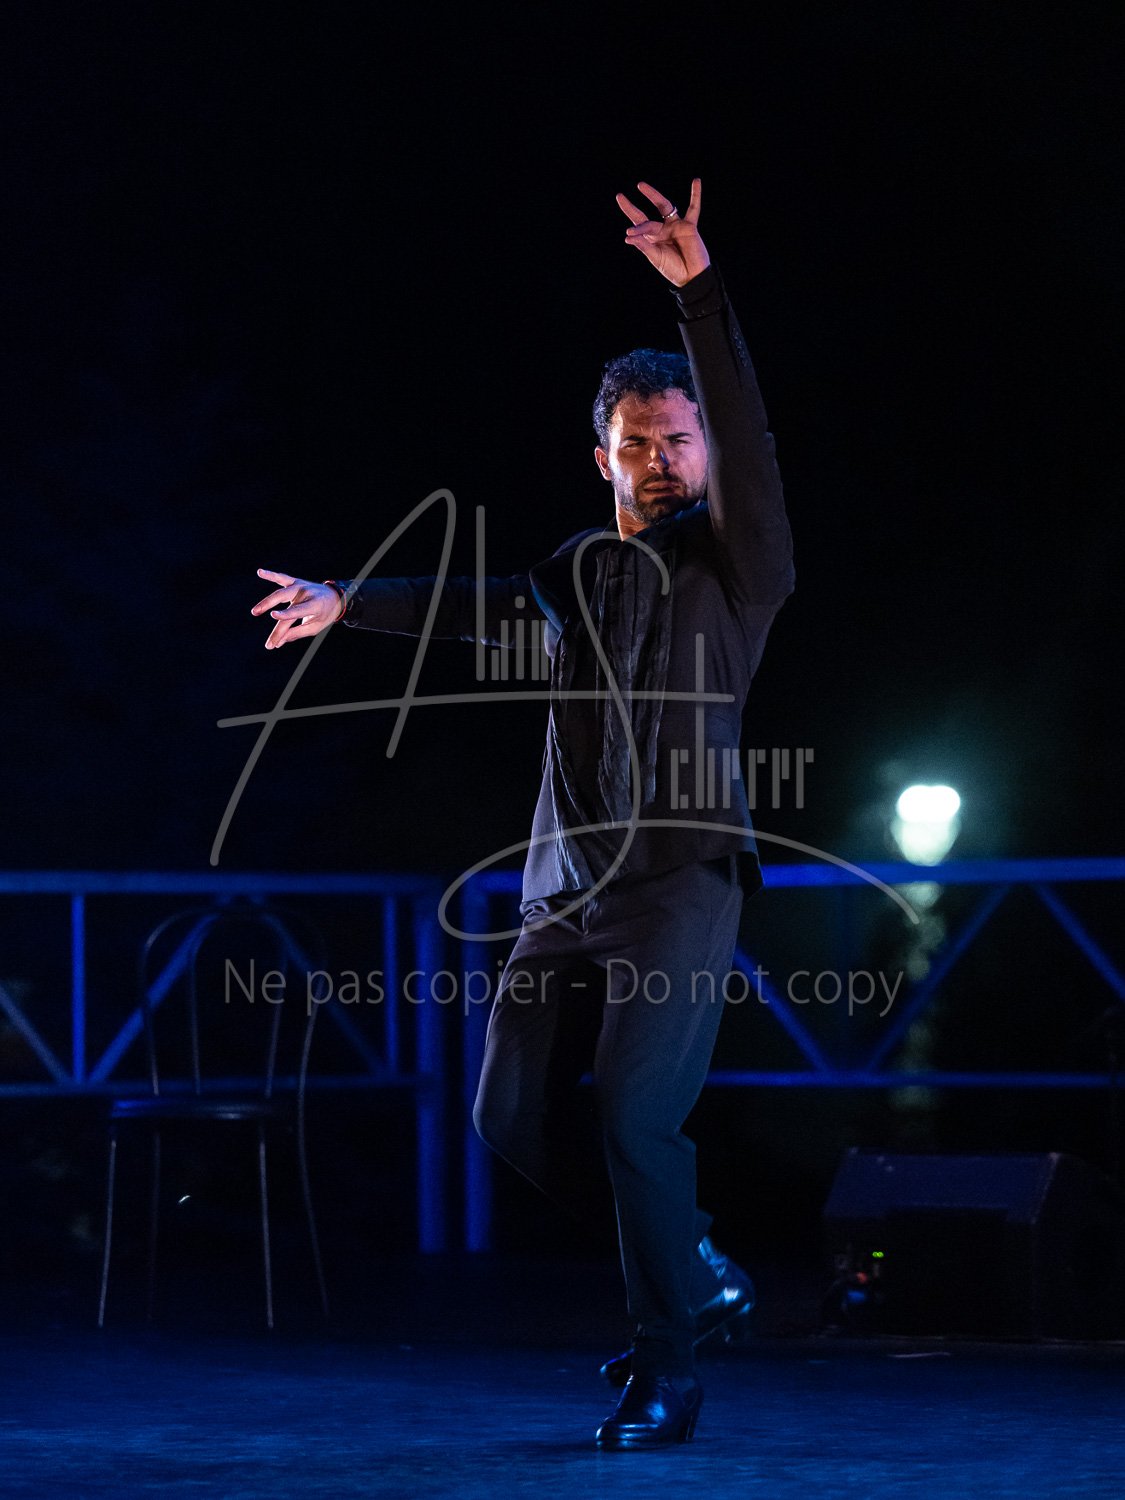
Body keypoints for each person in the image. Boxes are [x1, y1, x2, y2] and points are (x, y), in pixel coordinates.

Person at [251, 178, 794, 1449]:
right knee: (506, 1119)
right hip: (563, 890)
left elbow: (752, 436)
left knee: (632, 1115)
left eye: (680, 441)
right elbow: (477, 604)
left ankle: (669, 1364)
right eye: (639, 443)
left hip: (681, 881)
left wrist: (699, 293)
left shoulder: (740, 567)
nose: (663, 461)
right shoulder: (574, 572)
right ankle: (696, 1270)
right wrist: (348, 602)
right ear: (602, 456)